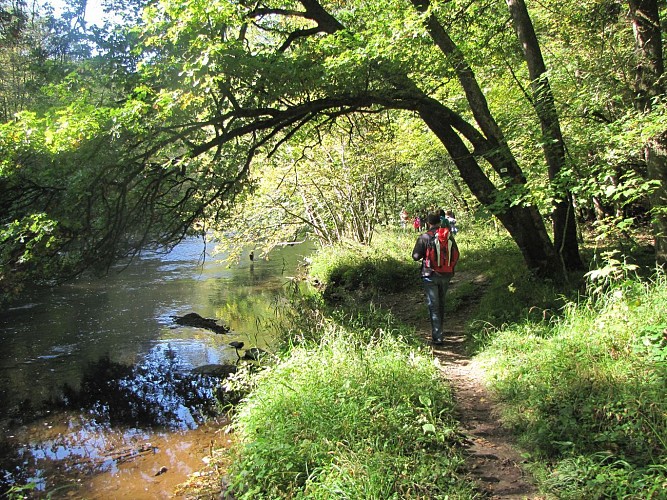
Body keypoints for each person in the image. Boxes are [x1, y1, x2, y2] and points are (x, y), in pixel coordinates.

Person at [412, 213, 459, 345]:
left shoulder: (425, 237)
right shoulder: (448, 236)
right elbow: (457, 254)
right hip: (446, 275)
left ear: (428, 223)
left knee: (434, 306)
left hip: (430, 275)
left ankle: (438, 337)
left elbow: (415, 256)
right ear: (439, 221)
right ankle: (440, 332)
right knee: (441, 304)